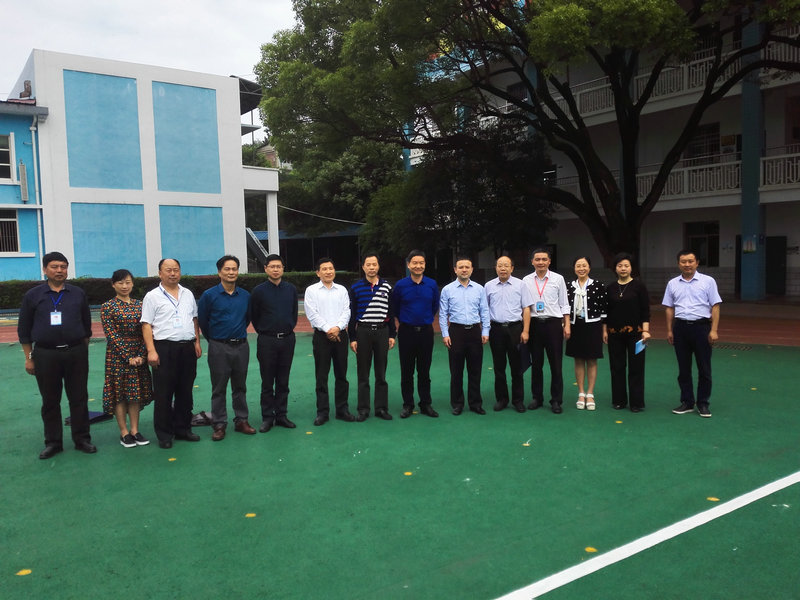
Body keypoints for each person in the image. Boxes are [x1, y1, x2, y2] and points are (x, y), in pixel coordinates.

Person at [18, 251, 96, 459]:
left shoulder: (78, 293)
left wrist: (82, 350)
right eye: (54, 267)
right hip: (45, 354)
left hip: (76, 352)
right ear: (45, 269)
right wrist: (29, 358)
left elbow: (86, 326)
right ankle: (53, 443)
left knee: (79, 398)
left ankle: (82, 439)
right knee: (50, 400)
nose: (59, 270)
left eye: (63, 267)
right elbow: (24, 330)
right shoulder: (33, 295)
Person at [141, 258, 203, 448]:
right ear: (160, 273)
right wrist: (151, 351)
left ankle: (183, 429)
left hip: (187, 348)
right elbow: (146, 325)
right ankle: (164, 434)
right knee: (164, 394)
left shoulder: (187, 293)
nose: (173, 273)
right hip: (164, 348)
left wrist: (197, 341)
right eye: (168, 270)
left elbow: (194, 319)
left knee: (185, 391)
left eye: (176, 269)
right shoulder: (152, 296)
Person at [197, 255, 256, 442]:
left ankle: (241, 420)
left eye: (234, 269)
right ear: (219, 272)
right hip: (218, 347)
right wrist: (216, 340)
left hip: (241, 346)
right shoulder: (209, 296)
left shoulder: (245, 296)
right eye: (227, 269)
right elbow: (204, 322)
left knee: (240, 386)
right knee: (219, 388)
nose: (231, 272)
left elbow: (247, 319)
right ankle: (219, 424)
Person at [663, 249, 722, 418]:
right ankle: (687, 402)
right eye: (683, 262)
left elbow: (715, 306)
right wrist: (669, 330)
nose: (687, 264)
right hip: (680, 328)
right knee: (683, 368)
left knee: (704, 368)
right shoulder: (672, 284)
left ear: (697, 263)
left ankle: (703, 403)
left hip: (701, 328)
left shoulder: (708, 281)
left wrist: (714, 330)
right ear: (678, 264)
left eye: (690, 261)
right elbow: (669, 308)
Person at [100, 269, 153, 447]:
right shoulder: (108, 306)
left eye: (128, 282)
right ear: (113, 285)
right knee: (120, 394)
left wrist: (141, 354)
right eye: (121, 283)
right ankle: (124, 432)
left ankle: (135, 430)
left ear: (133, 284)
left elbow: (147, 329)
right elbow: (111, 334)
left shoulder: (140, 305)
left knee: (135, 393)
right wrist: (128, 355)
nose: (124, 286)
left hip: (139, 355)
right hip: (117, 356)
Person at [250, 253, 299, 433]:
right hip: (267, 341)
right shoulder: (258, 291)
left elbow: (294, 313)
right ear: (266, 269)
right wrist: (266, 331)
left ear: (283, 269)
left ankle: (281, 415)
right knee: (267, 381)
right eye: (272, 266)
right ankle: (267, 417)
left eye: (279, 266)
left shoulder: (291, 289)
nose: (276, 269)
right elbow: (254, 316)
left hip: (287, 339)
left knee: (283, 380)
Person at [305, 257, 356, 426]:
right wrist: (328, 329)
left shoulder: (342, 290)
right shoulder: (311, 291)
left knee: (341, 375)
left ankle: (342, 410)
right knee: (321, 376)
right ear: (318, 273)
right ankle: (322, 412)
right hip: (322, 337)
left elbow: (346, 311)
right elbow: (312, 314)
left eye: (331, 268)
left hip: (341, 336)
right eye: (324, 269)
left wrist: (337, 328)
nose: (328, 271)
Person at [390, 250, 441, 418]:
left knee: (424, 371)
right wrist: (407, 320)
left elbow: (434, 306)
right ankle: (408, 404)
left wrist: (423, 319)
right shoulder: (401, 285)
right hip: (406, 332)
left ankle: (425, 404)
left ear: (425, 264)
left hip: (426, 332)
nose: (418, 266)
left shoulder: (431, 284)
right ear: (408, 265)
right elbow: (395, 307)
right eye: (415, 263)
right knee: (407, 371)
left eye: (421, 263)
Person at [521, 248, 571, 414]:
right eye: (537, 259)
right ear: (532, 262)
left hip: (553, 324)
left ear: (549, 261)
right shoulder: (526, 280)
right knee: (536, 364)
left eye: (544, 259)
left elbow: (564, 303)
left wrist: (567, 325)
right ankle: (537, 397)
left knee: (556, 364)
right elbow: (524, 306)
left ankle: (556, 400)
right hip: (534, 324)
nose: (541, 262)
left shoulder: (558, 279)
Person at [439, 256, 490, 415]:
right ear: (455, 270)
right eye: (460, 267)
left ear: (472, 269)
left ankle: (475, 403)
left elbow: (484, 311)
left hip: (474, 331)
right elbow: (443, 314)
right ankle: (457, 403)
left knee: (475, 370)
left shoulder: (479, 289)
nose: (464, 270)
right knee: (456, 371)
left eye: (467, 267)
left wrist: (485, 331)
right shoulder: (447, 289)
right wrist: (445, 334)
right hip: (456, 332)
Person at [349, 253, 396, 421]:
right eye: (368, 264)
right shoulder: (356, 288)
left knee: (381, 372)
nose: (371, 267)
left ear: (378, 266)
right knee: (363, 373)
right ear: (363, 267)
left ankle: (381, 408)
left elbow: (391, 313)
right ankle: (363, 409)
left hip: (382, 331)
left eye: (374, 264)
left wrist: (392, 334)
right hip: (363, 331)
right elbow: (352, 314)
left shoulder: (387, 287)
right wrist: (352, 338)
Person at [603, 253, 651, 413]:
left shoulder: (639, 286)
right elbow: (606, 312)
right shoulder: (610, 288)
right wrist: (604, 330)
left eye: (626, 265)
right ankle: (619, 400)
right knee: (616, 367)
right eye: (620, 266)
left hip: (637, 335)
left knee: (636, 367)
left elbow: (645, 311)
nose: (623, 268)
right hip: (614, 334)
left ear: (631, 268)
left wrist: (646, 331)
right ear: (615, 268)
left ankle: (636, 402)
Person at [485, 255, 533, 412]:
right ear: (495, 268)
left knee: (517, 367)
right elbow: (484, 309)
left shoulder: (521, 285)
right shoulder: (488, 286)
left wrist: (525, 330)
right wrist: (485, 330)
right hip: (496, 329)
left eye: (506, 265)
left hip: (515, 329)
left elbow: (526, 308)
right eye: (500, 265)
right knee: (499, 367)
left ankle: (518, 400)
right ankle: (502, 399)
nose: (503, 268)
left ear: (512, 268)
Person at [565, 256, 607, 411]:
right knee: (578, 359)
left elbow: (603, 309)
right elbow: (564, 307)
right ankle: (581, 392)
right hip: (575, 326)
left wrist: (604, 330)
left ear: (589, 267)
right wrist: (565, 325)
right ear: (574, 268)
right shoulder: (569, 286)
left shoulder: (598, 285)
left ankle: (590, 393)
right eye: (578, 266)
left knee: (592, 360)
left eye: (584, 265)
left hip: (593, 326)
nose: (581, 268)